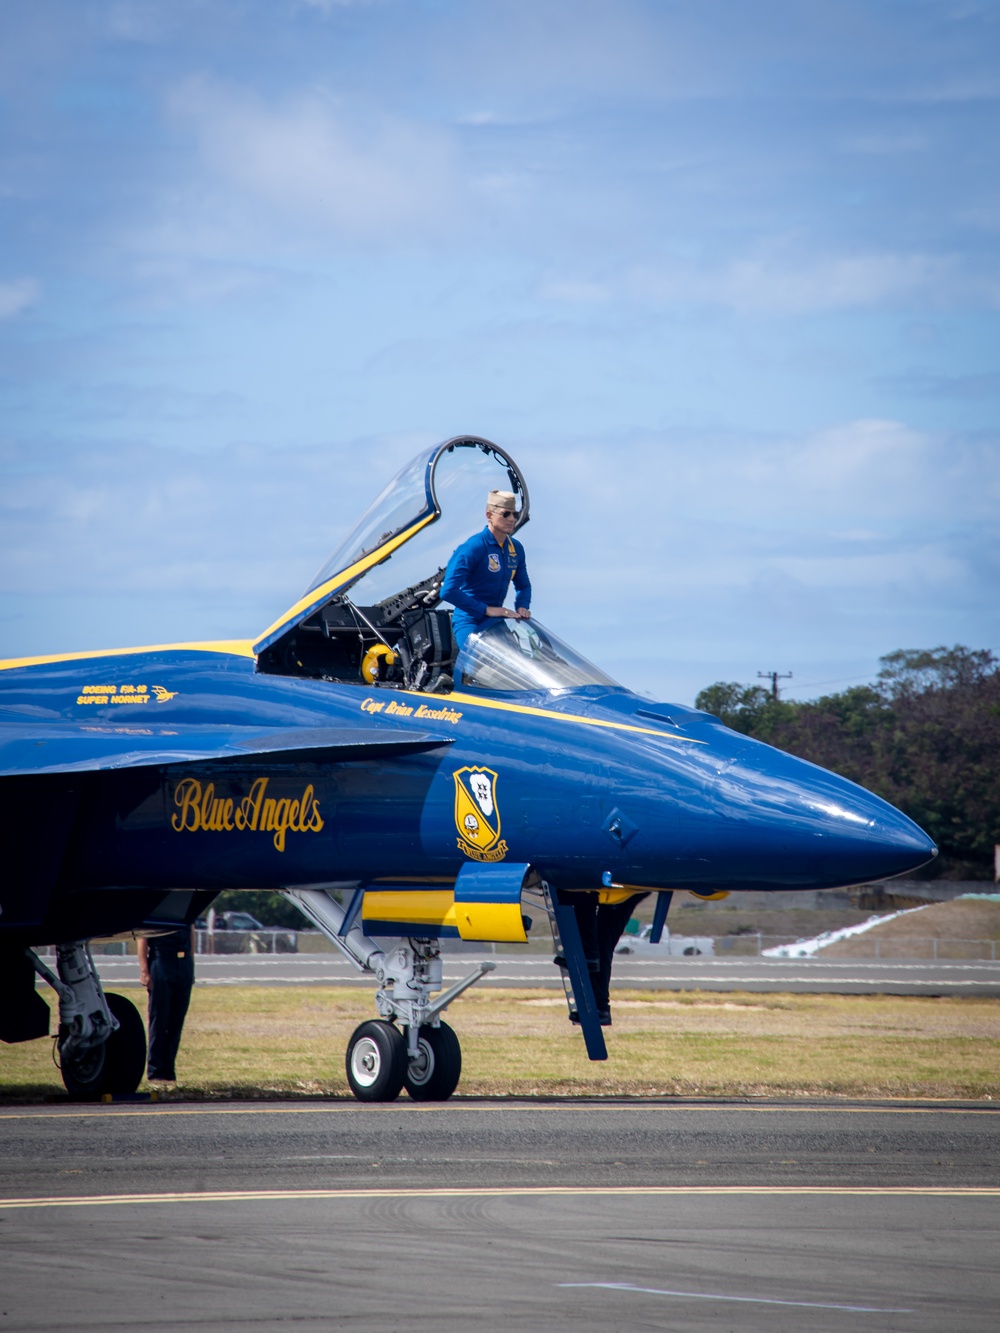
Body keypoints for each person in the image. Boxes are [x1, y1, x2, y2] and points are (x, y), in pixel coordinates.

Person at [440, 489, 531, 649]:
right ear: (489, 515)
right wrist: (486, 610)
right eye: (505, 514)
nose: (511, 519)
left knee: (515, 663)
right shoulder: (473, 547)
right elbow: (448, 590)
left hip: (496, 621)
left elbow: (523, 586)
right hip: (470, 620)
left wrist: (522, 606)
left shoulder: (515, 548)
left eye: (514, 515)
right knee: (478, 665)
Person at [138, 924, 195, 1084]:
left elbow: (191, 931)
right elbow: (143, 937)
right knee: (159, 1021)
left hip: (183, 962)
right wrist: (144, 971)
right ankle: (155, 1072)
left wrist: (191, 965)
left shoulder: (184, 907)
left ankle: (169, 1071)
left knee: (176, 1022)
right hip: (162, 960)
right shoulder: (159, 908)